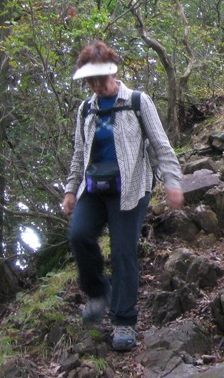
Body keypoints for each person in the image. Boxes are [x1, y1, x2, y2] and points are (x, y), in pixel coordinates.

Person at [62, 41, 184, 352]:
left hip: (130, 189)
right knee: (78, 235)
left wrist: (173, 183)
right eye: (91, 81)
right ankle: (99, 292)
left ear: (114, 74)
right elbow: (79, 154)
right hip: (94, 188)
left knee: (123, 252)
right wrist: (69, 190)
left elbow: (161, 146)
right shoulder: (85, 109)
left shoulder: (137, 102)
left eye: (102, 80)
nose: (98, 86)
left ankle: (124, 321)